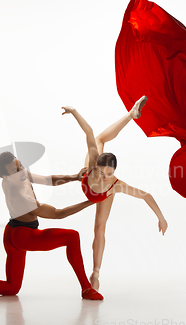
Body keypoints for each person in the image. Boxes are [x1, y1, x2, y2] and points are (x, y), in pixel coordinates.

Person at [0, 151, 103, 300]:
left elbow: (48, 180)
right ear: (6, 177)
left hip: (11, 232)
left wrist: (75, 177)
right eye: (16, 169)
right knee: (72, 236)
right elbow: (57, 213)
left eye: (19, 164)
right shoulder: (22, 197)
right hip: (24, 237)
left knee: (12, 288)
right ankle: (86, 289)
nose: (21, 170)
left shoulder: (18, 175)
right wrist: (91, 201)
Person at [61, 96, 168, 291]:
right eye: (102, 173)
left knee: (99, 229)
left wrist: (161, 217)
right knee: (98, 140)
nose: (104, 177)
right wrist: (74, 111)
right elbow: (89, 132)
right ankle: (130, 115)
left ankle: (96, 273)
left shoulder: (114, 185)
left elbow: (145, 195)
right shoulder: (93, 164)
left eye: (109, 174)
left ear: (114, 172)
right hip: (87, 179)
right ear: (97, 167)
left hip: (104, 197)